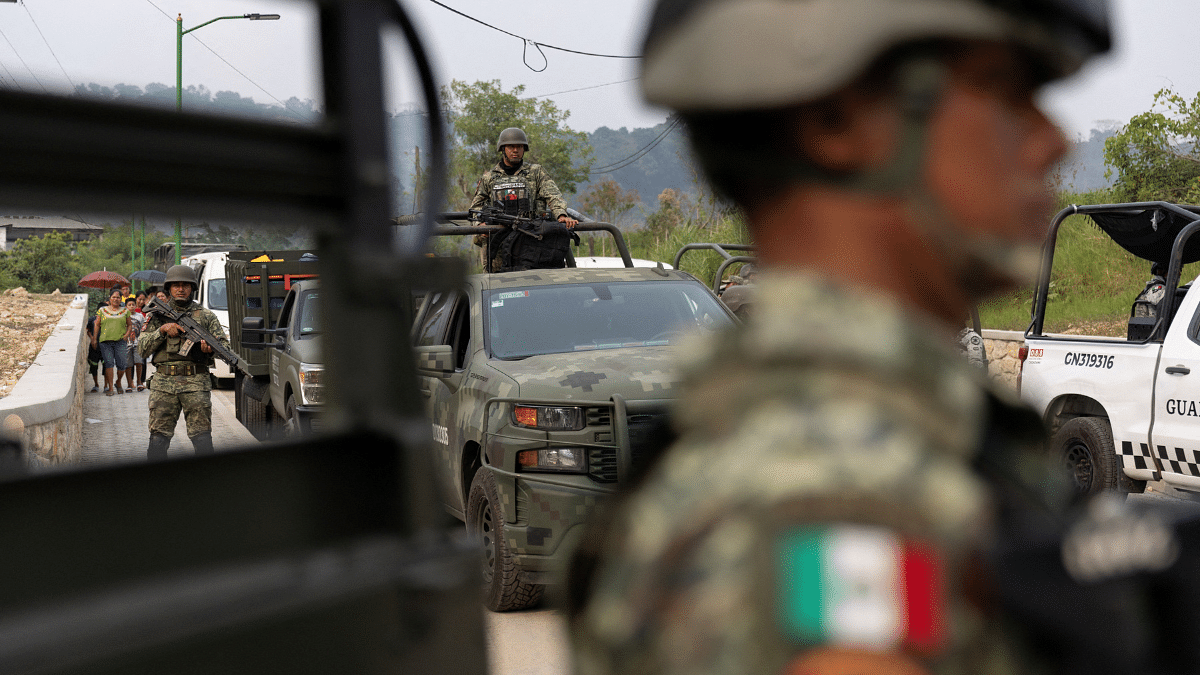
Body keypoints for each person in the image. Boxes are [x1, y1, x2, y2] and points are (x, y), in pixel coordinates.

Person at [568, 2, 1111, 675]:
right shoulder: (834, 495)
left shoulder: (870, 434)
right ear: (836, 121)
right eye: (1003, 86)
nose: (1053, 139)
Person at [137, 265, 229, 459]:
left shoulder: (206, 316)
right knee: (158, 440)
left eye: (185, 285)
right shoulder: (156, 314)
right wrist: (161, 331)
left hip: (196, 383)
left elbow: (224, 348)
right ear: (169, 288)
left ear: (192, 288)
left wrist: (209, 350)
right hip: (163, 384)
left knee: (202, 439)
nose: (181, 289)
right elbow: (142, 348)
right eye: (176, 285)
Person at [468, 127, 579, 272]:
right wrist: (480, 225)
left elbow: (553, 195)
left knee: (532, 281)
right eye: (511, 147)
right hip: (498, 241)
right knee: (495, 283)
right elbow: (476, 207)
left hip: (530, 240)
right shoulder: (489, 178)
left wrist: (561, 215)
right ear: (503, 149)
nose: (516, 150)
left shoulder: (536, 172)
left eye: (519, 147)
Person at [92, 288, 133, 396]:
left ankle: (118, 382)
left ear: (121, 299)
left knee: (122, 365)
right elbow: (97, 324)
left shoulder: (125, 311)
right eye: (113, 297)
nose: (116, 299)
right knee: (109, 364)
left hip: (121, 341)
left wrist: (127, 334)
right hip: (105, 342)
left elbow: (129, 324)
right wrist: (94, 338)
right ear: (110, 298)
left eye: (118, 297)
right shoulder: (102, 310)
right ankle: (110, 387)